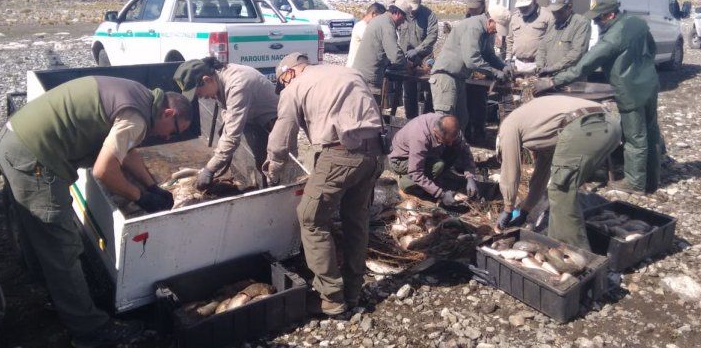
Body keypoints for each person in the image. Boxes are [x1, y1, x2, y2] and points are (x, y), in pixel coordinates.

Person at [0, 76, 192, 347]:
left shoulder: (142, 96)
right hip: (35, 158)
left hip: (13, 138)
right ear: (168, 113)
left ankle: (51, 291)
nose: (169, 137)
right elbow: (103, 171)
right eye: (175, 131)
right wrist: (141, 197)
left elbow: (127, 150)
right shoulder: (137, 117)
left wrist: (151, 185)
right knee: (61, 246)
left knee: (37, 230)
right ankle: (90, 329)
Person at [264, 53, 384, 316]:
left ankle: (331, 297)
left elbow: (283, 136)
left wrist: (273, 167)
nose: (284, 86)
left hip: (341, 154)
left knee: (310, 218)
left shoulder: (294, 87)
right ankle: (353, 291)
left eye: (282, 82)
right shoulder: (347, 71)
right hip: (375, 154)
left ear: (289, 73)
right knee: (356, 220)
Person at [534, 0, 661, 194]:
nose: (595, 23)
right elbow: (652, 49)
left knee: (634, 137)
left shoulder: (613, 37)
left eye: (597, 19)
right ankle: (652, 180)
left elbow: (585, 65)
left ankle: (635, 183)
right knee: (651, 132)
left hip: (630, 91)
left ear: (610, 15)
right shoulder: (637, 22)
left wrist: (553, 82)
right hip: (649, 83)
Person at [495, 95, 622, 249]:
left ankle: (574, 251)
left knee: (561, 190)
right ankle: (560, 239)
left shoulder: (508, 126)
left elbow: (510, 171)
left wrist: (508, 208)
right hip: (611, 124)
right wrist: (525, 210)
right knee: (562, 186)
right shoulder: (539, 125)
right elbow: (541, 176)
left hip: (585, 126)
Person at [174, 57, 278, 188]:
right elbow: (227, 114)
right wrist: (220, 153)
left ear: (207, 80)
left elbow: (231, 136)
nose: (201, 97)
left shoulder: (237, 85)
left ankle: (274, 191)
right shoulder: (218, 80)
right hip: (252, 118)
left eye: (199, 93)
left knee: (272, 168)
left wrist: (210, 169)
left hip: (273, 121)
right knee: (258, 161)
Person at [430, 11, 511, 131]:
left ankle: (457, 144)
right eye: (496, 28)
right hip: (446, 77)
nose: (496, 31)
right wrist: (494, 72)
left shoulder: (487, 32)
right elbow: (472, 60)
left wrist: (503, 66)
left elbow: (489, 55)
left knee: (461, 120)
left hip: (459, 78)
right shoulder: (474, 27)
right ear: (490, 21)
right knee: (445, 122)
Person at [388, 113, 478, 203]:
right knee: (438, 166)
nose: (450, 144)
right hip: (401, 159)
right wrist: (441, 194)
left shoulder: (451, 129)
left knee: (455, 149)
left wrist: (470, 177)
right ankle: (407, 182)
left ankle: (432, 180)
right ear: (435, 132)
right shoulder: (420, 137)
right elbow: (416, 172)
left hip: (425, 152)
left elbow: (465, 150)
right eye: (446, 141)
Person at [351, 0, 411, 102]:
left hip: (360, 74)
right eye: (403, 18)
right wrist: (407, 64)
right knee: (370, 109)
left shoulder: (380, 19)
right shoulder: (387, 25)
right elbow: (395, 55)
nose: (403, 22)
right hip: (369, 78)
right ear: (398, 13)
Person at [398, 0, 439, 118]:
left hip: (425, 57)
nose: (412, 10)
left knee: (429, 90)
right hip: (407, 58)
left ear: (421, 1)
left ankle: (427, 119)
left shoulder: (429, 15)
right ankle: (411, 118)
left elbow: (432, 36)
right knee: (408, 90)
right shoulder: (401, 14)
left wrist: (417, 50)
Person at [535, 0, 591, 77]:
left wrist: (553, 68)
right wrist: (540, 65)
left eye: (559, 12)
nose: (556, 15)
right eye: (553, 12)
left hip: (569, 77)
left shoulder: (581, 23)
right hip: (549, 76)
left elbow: (577, 53)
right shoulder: (552, 23)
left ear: (570, 7)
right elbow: (542, 48)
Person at [506, 0, 554, 65]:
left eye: (526, 6)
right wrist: (508, 58)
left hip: (538, 64)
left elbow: (552, 41)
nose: (522, 9)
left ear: (534, 2)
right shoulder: (514, 17)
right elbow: (510, 40)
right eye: (520, 6)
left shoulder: (547, 16)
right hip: (517, 63)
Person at [346, 2, 387, 67]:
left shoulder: (367, 26)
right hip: (355, 67)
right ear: (374, 14)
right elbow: (374, 43)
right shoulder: (361, 26)